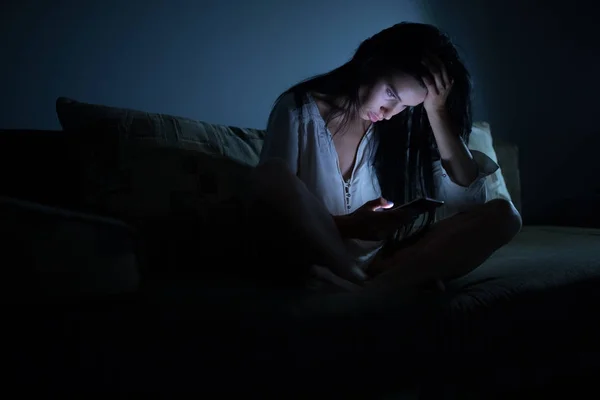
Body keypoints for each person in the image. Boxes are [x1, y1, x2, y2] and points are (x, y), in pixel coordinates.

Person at [252, 22, 522, 294]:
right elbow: (274, 212)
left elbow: (469, 201)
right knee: (272, 173)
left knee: (505, 215)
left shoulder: (396, 129)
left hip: (382, 262)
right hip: (316, 255)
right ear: (370, 63)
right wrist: (352, 226)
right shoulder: (297, 110)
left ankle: (372, 288)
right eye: (391, 94)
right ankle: (367, 288)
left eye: (406, 105)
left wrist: (436, 111)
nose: (390, 111)